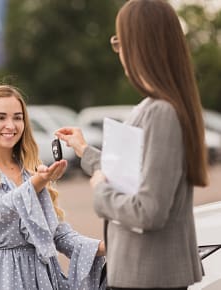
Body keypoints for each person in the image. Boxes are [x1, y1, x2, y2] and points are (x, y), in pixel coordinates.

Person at [56, 0, 208, 289]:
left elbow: (148, 210)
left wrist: (100, 190)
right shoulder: (155, 106)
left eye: (119, 42)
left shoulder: (162, 112)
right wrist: (84, 151)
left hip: (148, 276)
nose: (119, 52)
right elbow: (131, 175)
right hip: (142, 273)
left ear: (141, 46)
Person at [0, 84, 106, 290]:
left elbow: (57, 234)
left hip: (38, 278)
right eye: (0, 117)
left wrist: (104, 247)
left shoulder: (31, 171)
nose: (11, 125)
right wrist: (37, 184)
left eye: (17, 117)